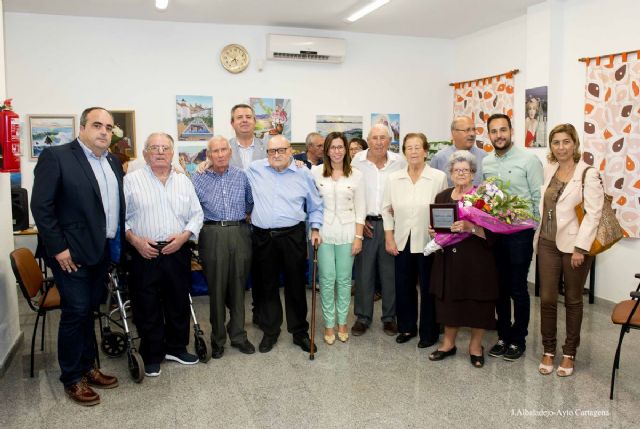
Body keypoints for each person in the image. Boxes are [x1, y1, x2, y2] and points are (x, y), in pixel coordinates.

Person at [31, 107, 124, 406]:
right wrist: (58, 248)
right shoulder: (57, 157)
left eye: (109, 127)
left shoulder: (112, 161)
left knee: (89, 311)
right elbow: (42, 207)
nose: (104, 132)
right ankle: (72, 378)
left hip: (101, 252)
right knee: (76, 312)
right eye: (97, 125)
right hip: (69, 254)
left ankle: (88, 367)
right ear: (82, 127)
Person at [124, 133, 204, 377]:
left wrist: (183, 237)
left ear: (172, 153)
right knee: (146, 305)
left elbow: (196, 214)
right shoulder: (131, 180)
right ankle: (151, 353)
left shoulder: (184, 181)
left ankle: (177, 348)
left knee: (178, 301)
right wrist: (135, 241)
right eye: (154, 148)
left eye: (165, 148)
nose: (159, 152)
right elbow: (120, 218)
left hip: (176, 251)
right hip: (144, 252)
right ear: (146, 153)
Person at [533, 123, 603, 377]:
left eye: (565, 142)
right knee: (548, 299)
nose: (561, 147)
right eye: (556, 142)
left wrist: (581, 248)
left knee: (573, 300)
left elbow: (593, 214)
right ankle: (548, 349)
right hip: (547, 243)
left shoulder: (588, 173)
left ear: (574, 144)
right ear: (551, 147)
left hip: (575, 247)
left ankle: (570, 352)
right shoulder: (550, 170)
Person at [246, 135, 323, 353]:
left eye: (281, 150)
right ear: (267, 153)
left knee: (296, 285)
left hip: (293, 236)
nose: (277, 155)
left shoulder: (303, 172)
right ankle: (271, 330)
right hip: (263, 237)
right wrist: (205, 163)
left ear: (291, 151)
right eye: (272, 151)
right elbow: (229, 172)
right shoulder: (255, 169)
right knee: (267, 285)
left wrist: (315, 228)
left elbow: (316, 205)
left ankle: (299, 332)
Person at [428, 150, 499, 368]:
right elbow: (437, 225)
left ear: (473, 173)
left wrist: (472, 227)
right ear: (450, 173)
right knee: (449, 304)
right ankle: (448, 344)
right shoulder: (442, 196)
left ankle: (475, 346)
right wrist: (433, 232)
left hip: (477, 261)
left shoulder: (483, 198)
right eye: (456, 170)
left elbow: (495, 231)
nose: (460, 174)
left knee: (478, 305)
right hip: (448, 261)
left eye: (465, 170)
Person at [483, 113, 544, 361]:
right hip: (495, 234)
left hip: (520, 234)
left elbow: (538, 199)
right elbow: (486, 198)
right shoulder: (486, 162)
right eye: (494, 131)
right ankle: (503, 336)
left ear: (511, 131)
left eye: (503, 130)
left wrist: (536, 233)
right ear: (489, 135)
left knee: (517, 288)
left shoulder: (529, 160)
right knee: (498, 288)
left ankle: (518, 339)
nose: (499, 135)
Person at [192, 136, 255, 359]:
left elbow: (249, 203)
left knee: (239, 286)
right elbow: (192, 207)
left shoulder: (241, 176)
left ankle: (238, 335)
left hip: (239, 232)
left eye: (223, 150)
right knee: (216, 289)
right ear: (208, 155)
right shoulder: (197, 178)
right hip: (212, 233)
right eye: (214, 151)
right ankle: (217, 339)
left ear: (230, 152)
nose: (219, 154)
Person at [382, 133, 447, 348]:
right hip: (402, 239)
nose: (413, 151)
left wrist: (439, 232)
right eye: (409, 148)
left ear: (426, 151)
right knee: (404, 285)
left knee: (429, 287)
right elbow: (386, 210)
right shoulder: (394, 178)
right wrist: (389, 237)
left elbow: (444, 209)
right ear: (404, 152)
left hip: (428, 241)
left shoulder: (437, 177)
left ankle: (429, 332)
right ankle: (407, 327)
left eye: (418, 147)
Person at [351, 124, 407, 336]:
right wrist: (359, 218)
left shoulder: (398, 162)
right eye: (375, 138)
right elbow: (352, 189)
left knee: (389, 273)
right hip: (365, 223)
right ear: (368, 139)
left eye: (383, 138)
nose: (379, 142)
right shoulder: (357, 161)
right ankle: (363, 317)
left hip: (390, 224)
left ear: (390, 140)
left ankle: (389, 317)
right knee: (364, 273)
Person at [311, 132, 365, 344]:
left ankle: (342, 322)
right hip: (322, 234)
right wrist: (314, 229)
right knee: (326, 279)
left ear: (346, 149)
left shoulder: (356, 175)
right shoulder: (315, 173)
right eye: (332, 147)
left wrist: (359, 237)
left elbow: (361, 209)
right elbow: (311, 204)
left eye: (340, 147)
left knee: (343, 280)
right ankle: (329, 324)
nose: (336, 151)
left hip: (347, 233)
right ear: (326, 150)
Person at [430, 116, 487, 186]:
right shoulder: (439, 158)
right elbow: (433, 187)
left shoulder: (484, 157)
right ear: (453, 133)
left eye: (474, 130)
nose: (472, 134)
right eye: (467, 130)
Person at [228, 103, 267, 170]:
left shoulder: (268, 147)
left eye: (248, 117)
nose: (244, 120)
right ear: (232, 123)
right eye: (239, 117)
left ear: (254, 122)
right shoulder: (225, 148)